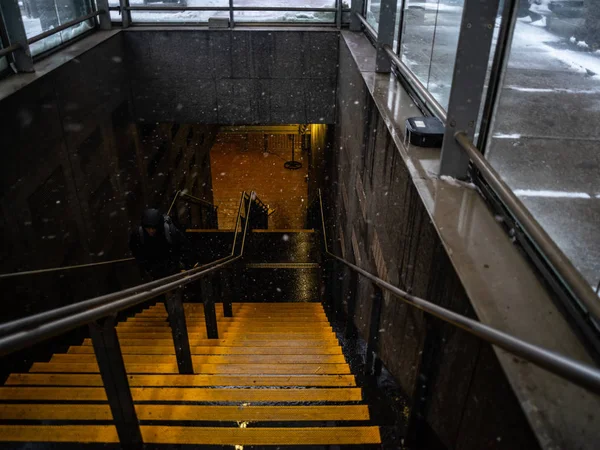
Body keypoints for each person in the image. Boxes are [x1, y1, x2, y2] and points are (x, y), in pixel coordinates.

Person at [129, 208, 196, 280]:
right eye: (148, 228)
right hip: (152, 271)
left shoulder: (169, 231)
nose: (151, 231)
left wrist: (184, 265)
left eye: (154, 228)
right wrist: (144, 266)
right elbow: (135, 251)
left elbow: (185, 247)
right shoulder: (139, 234)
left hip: (172, 269)